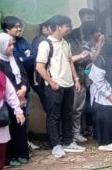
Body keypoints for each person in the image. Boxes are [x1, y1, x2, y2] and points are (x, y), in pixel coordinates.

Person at [36, 15, 85, 159]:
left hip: (68, 84)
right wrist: (51, 82)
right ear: (58, 27)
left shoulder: (65, 43)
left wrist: (75, 79)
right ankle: (56, 144)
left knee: (67, 114)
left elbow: (70, 62)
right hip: (55, 86)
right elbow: (40, 66)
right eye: (67, 26)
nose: (69, 29)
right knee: (54, 116)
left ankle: (68, 141)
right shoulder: (46, 44)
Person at [0, 33, 30, 167]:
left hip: (20, 97)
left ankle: (21, 153)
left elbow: (23, 75)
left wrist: (23, 88)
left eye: (13, 44)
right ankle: (9, 156)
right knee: (8, 128)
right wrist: (15, 95)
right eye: (9, 45)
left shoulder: (14, 58)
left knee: (20, 126)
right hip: (4, 100)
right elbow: (0, 82)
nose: (12, 47)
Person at [89, 40, 112, 152]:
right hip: (102, 94)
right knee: (105, 117)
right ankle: (104, 142)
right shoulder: (101, 60)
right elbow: (98, 80)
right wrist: (108, 95)